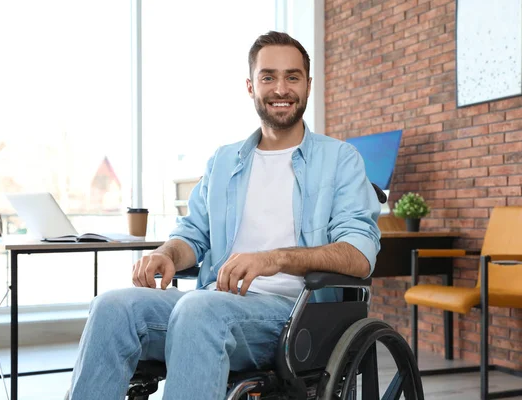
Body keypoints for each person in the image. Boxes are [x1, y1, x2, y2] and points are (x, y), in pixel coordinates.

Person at [67, 30, 381, 400]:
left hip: (293, 316)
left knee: (200, 310)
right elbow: (193, 234)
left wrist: (273, 259)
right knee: (112, 308)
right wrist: (167, 254)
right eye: (268, 77)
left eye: (292, 77)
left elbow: (359, 256)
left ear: (308, 85)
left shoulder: (340, 160)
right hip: (212, 302)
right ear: (251, 86)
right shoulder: (223, 162)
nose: (281, 88)